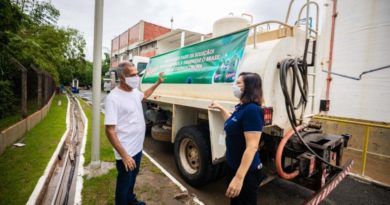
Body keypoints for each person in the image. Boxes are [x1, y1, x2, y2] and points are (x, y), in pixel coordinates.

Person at [105, 62, 164, 205]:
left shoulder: (134, 92)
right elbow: (109, 130)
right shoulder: (113, 98)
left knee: (133, 178)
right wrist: (124, 156)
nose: (136, 77)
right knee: (124, 183)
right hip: (126, 151)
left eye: (137, 73)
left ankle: (131, 200)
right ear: (122, 77)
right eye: (132, 75)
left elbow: (144, 95)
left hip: (137, 147)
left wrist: (157, 83)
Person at [209, 72, 264, 205]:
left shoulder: (252, 110)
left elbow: (252, 146)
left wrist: (239, 178)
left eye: (238, 83)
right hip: (234, 167)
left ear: (249, 87)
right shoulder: (241, 107)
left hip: (247, 173)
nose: (234, 86)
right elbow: (232, 122)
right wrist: (221, 108)